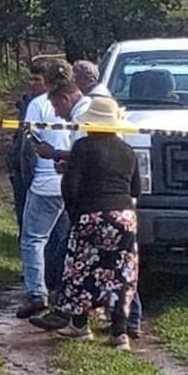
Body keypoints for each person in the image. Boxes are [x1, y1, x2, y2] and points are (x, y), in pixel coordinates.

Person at [53, 98, 141, 351]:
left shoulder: (83, 147)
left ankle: (80, 325)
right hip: (124, 216)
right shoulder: (127, 151)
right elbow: (136, 188)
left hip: (92, 213)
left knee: (82, 268)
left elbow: (71, 186)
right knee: (120, 274)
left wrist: (75, 211)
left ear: (91, 123)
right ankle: (119, 333)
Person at [16, 60, 73, 319]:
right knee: (67, 239)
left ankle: (36, 292)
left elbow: (29, 142)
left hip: (45, 181)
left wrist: (25, 178)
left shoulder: (38, 105)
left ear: (47, 80)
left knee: (33, 239)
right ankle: (64, 290)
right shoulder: (81, 103)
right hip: (74, 181)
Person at [7, 60, 48, 230]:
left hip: (42, 171)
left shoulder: (53, 105)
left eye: (37, 80)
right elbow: (21, 136)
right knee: (23, 217)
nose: (32, 84)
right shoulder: (26, 102)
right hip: (20, 167)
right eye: (30, 79)